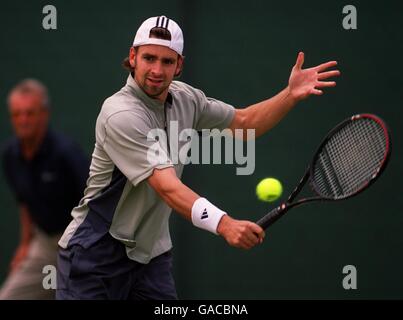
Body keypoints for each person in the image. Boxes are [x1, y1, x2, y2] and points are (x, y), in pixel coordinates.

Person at [56, 15, 340, 300]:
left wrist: (289, 94)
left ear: (179, 65)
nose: (157, 69)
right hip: (95, 255)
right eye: (149, 58)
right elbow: (167, 186)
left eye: (167, 61)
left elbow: (244, 123)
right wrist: (225, 224)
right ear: (133, 57)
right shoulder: (121, 114)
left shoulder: (186, 99)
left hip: (150, 257)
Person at [0, 79, 89, 299]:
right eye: (17, 114)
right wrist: (24, 244)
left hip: (80, 245)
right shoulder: (10, 155)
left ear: (44, 114)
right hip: (44, 245)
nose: (23, 120)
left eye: (30, 113)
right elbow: (25, 203)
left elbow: (95, 201)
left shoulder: (66, 153)